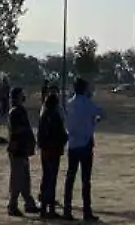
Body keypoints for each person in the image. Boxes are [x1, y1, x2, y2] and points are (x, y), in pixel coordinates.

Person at [63, 77, 104, 221]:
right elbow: (101, 113)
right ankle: (87, 211)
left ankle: (67, 209)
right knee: (86, 180)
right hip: (86, 143)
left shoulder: (69, 104)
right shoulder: (87, 103)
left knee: (70, 177)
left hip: (72, 143)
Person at [5, 87, 40, 217]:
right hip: (17, 150)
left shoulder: (18, 111)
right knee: (17, 179)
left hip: (21, 149)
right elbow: (17, 131)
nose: (23, 97)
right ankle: (12, 205)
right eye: (21, 95)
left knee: (25, 179)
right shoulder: (15, 112)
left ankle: (29, 203)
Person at [36, 89, 67, 219]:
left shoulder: (43, 116)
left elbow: (40, 135)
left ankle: (43, 208)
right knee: (52, 180)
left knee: (45, 178)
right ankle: (51, 209)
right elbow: (62, 135)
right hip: (54, 151)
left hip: (45, 151)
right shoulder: (56, 116)